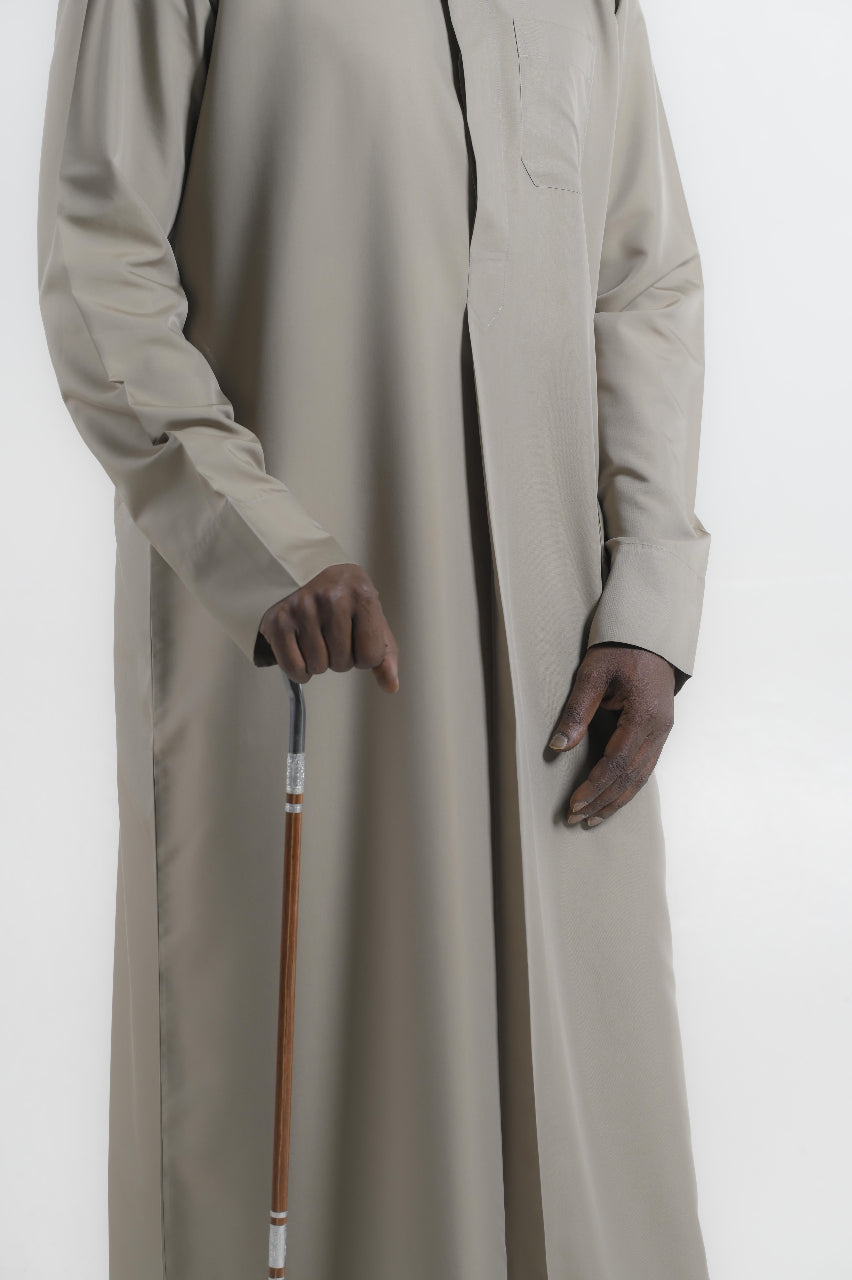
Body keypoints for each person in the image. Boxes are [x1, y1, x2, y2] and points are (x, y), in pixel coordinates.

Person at [37, 0, 712, 1276]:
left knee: (588, 1166)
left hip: (564, 672)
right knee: (318, 1122)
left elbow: (643, 276)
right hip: (306, 638)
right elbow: (100, 264)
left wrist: (652, 596)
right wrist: (263, 543)